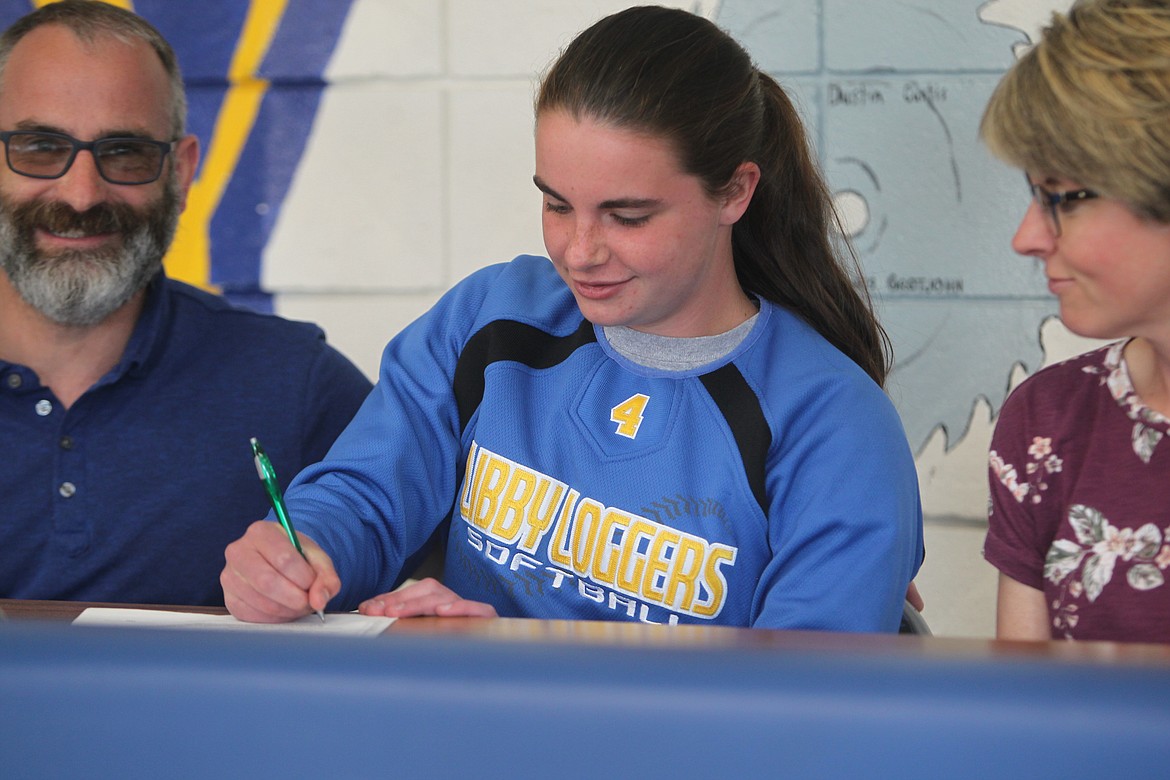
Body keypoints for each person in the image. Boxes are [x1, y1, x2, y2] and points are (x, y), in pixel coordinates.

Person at [222, 5, 923, 630]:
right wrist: (302, 552)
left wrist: (515, 655)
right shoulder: (489, 319)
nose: (578, 252)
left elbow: (805, 710)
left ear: (735, 192)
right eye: (557, 204)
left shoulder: (836, 423)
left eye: (627, 215)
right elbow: (366, 495)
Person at [0, 1, 372, 607]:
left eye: (125, 153)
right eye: (40, 147)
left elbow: (454, 564)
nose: (81, 193)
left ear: (180, 172)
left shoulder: (293, 383)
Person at [981, 0, 1170, 643]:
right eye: (1035, 195)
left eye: (1065, 197)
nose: (1027, 237)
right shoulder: (1046, 425)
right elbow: (1026, 725)